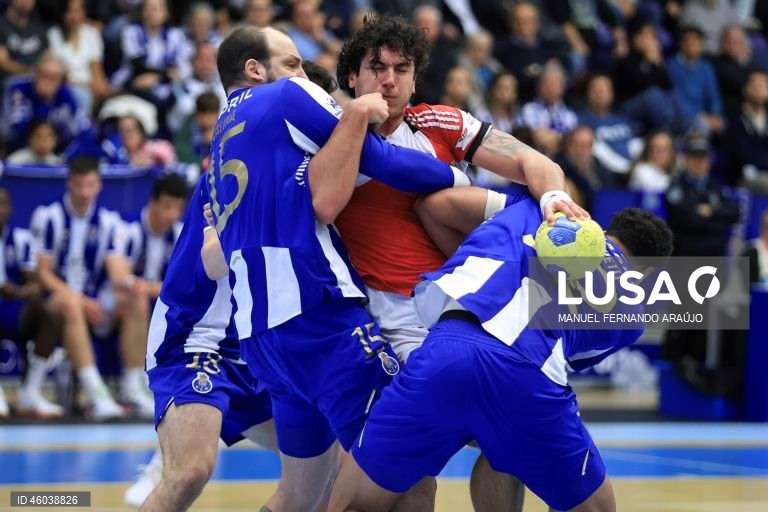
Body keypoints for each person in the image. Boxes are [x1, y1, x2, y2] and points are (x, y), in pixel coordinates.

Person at [206, 26, 471, 510]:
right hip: (320, 320)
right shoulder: (285, 96)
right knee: (407, 474)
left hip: (261, 336)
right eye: (291, 63)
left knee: (299, 495)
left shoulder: (222, 139)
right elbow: (376, 155)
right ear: (254, 69)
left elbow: (213, 256)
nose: (302, 73)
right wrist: (455, 177)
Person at [334, 14, 585, 511]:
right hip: (391, 318)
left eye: (401, 68)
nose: (388, 79)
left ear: (415, 76)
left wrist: (554, 196)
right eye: (376, 67)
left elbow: (535, 162)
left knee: (510, 444)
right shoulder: (332, 135)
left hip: (465, 307)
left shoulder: (441, 122)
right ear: (352, 78)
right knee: (407, 483)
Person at [328, 200, 674, 512]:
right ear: (646, 273)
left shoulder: (533, 211)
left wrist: (466, 257)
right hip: (527, 376)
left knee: (354, 503)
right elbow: (567, 355)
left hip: (447, 351)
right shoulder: (631, 313)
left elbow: (432, 205)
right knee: (587, 502)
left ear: (601, 227)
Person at [125, 176, 278, 511]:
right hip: (195, 336)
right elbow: (214, 260)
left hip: (255, 346)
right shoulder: (238, 168)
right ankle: (160, 465)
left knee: (333, 460)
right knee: (190, 472)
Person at [30, 156, 127, 420]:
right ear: (69, 183)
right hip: (55, 302)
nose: (85, 193)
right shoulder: (48, 217)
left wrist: (132, 284)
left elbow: (117, 271)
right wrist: (80, 299)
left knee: (131, 301)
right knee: (72, 304)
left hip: (98, 304)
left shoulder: (109, 222)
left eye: (91, 185)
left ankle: (134, 387)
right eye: (79, 185)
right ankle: (97, 395)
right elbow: (42, 274)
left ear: (99, 185)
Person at [0, 187, 63, 418]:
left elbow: (34, 282)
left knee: (48, 312)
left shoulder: (21, 239)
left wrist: (23, 290)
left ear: (10, 209)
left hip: (12, 307)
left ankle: (30, 391)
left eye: (3, 204)